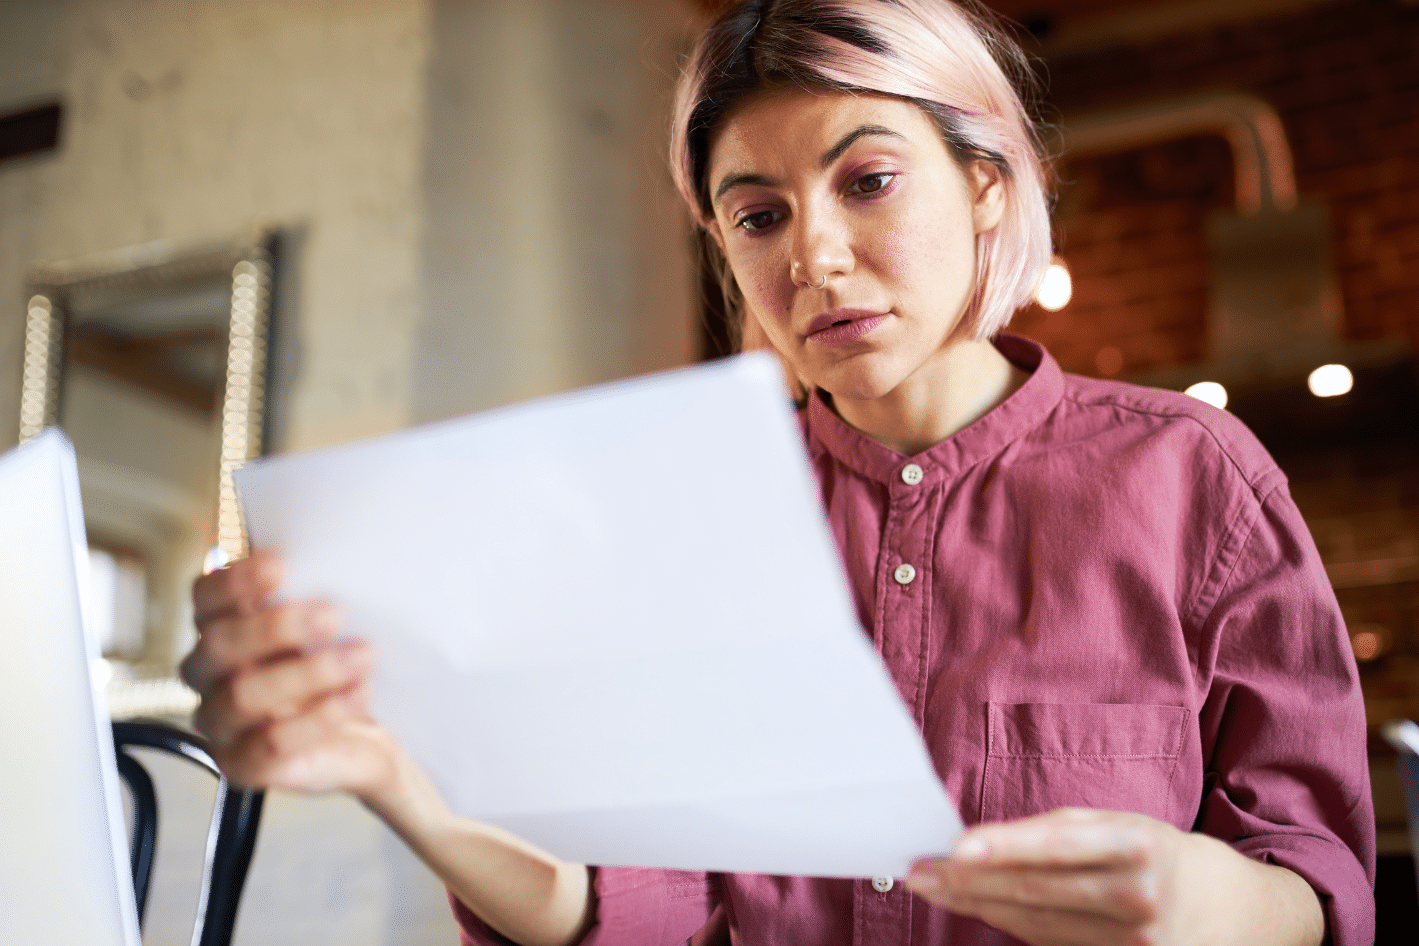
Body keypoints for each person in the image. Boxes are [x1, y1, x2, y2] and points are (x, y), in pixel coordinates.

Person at [180, 1, 1375, 944]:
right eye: (757, 215)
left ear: (985, 184)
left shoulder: (1194, 478)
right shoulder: (694, 525)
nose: (814, 253)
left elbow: (1318, 881)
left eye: (866, 181)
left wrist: (1211, 905)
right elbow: (640, 902)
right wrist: (398, 782)